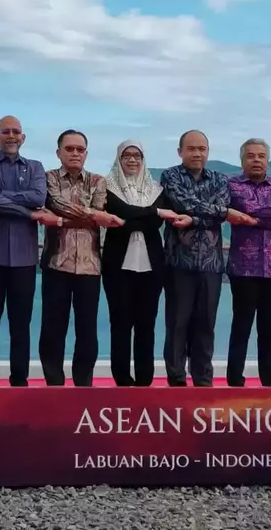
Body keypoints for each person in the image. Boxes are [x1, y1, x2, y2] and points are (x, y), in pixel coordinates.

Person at [0, 115, 59, 387]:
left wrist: (1, 198)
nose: (11, 136)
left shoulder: (36, 167)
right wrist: (28, 213)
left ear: (23, 137)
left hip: (24, 260)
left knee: (20, 326)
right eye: (5, 132)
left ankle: (19, 381)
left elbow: (38, 197)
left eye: (16, 132)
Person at [159, 130, 245, 387]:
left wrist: (197, 217)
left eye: (202, 149)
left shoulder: (219, 179)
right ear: (180, 151)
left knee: (206, 323)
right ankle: (176, 379)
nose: (197, 153)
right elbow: (181, 202)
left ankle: (203, 380)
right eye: (191, 148)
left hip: (211, 263)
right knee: (177, 323)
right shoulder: (170, 176)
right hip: (178, 262)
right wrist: (222, 212)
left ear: (208, 151)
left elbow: (204, 211)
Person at [39, 130, 122, 387]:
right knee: (53, 328)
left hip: (90, 266)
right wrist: (92, 215)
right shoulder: (47, 178)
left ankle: (83, 384)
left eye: (80, 149)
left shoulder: (98, 181)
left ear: (86, 153)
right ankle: (54, 383)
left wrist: (78, 215)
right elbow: (57, 203)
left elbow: (97, 211)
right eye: (69, 149)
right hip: (56, 263)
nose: (75, 153)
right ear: (59, 153)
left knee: (87, 331)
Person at [101, 140, 177, 387]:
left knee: (147, 324)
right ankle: (122, 379)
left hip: (152, 268)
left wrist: (136, 217)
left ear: (144, 160)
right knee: (120, 324)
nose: (132, 160)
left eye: (137, 156)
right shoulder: (107, 186)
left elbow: (140, 222)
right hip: (117, 268)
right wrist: (154, 213)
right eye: (127, 155)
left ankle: (145, 379)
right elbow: (119, 213)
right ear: (119, 159)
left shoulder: (156, 188)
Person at [226, 138, 271, 388]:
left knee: (269, 331)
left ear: (267, 159)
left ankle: (268, 382)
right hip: (243, 267)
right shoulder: (233, 185)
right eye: (251, 156)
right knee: (241, 326)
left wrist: (253, 217)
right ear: (242, 160)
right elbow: (245, 207)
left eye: (261, 156)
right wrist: (267, 213)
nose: (256, 160)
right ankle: (234, 380)